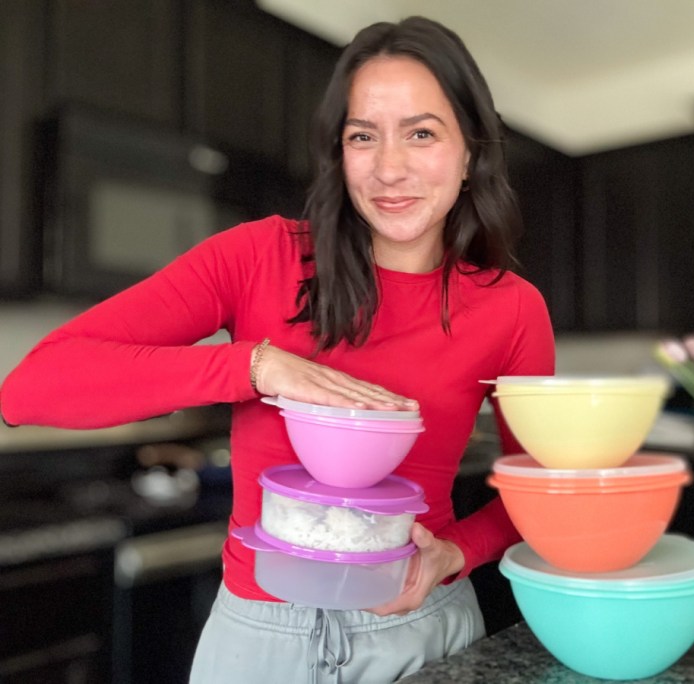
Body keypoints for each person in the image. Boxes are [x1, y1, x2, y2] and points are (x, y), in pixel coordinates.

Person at [0, 15, 554, 683]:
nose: (388, 167)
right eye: (362, 136)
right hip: (260, 641)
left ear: (469, 152)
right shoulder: (260, 256)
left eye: (422, 133)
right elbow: (30, 388)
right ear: (339, 152)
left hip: (422, 627)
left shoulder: (511, 308)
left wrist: (456, 552)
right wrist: (257, 366)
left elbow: (542, 487)